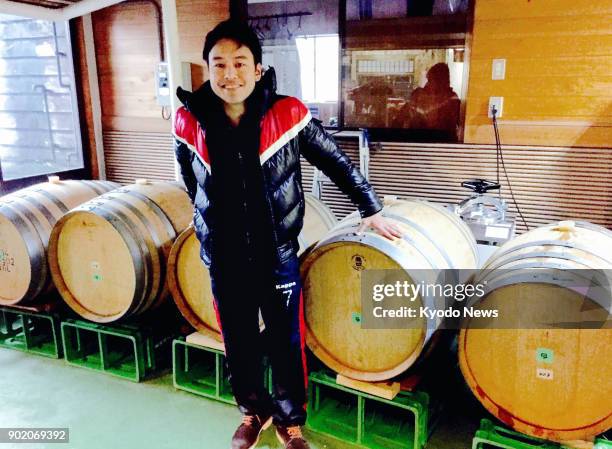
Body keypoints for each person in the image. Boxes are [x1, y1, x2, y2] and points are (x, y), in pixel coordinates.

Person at [173, 19, 401, 449]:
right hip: (222, 255)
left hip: (276, 253)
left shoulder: (288, 114)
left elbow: (336, 161)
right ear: (206, 69)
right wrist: (203, 219)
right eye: (218, 64)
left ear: (258, 69)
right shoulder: (187, 122)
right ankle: (252, 412)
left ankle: (290, 419)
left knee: (285, 340)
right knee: (238, 341)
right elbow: (190, 179)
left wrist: (370, 207)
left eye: (240, 63)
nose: (229, 74)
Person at [394, 62, 460, 141]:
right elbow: (399, 120)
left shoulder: (452, 100)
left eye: (430, 80)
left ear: (441, 82)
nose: (427, 84)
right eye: (428, 80)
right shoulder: (419, 95)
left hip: (441, 146)